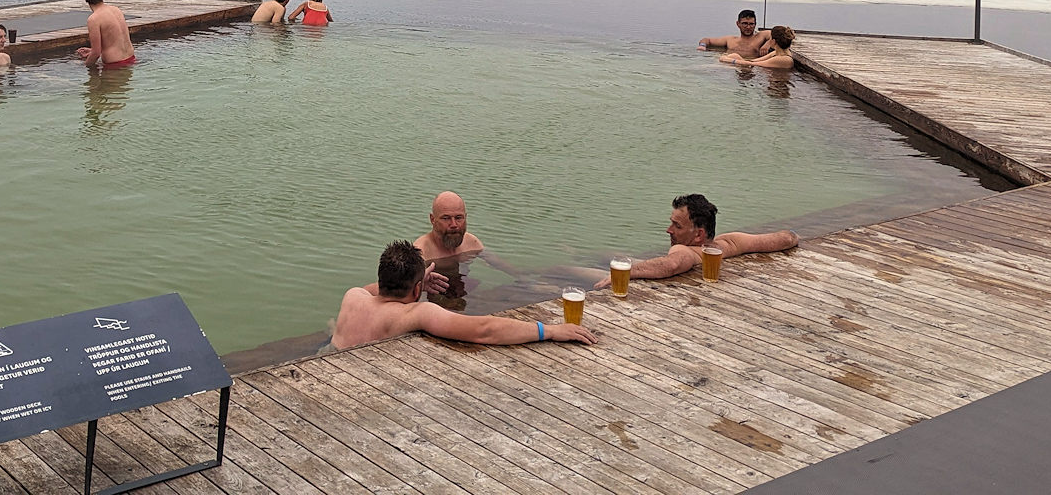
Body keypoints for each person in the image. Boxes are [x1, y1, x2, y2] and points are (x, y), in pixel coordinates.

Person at [333, 241, 598, 350]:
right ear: (416, 289)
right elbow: (484, 330)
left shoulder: (352, 296)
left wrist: (419, 282)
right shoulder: (415, 313)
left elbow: (375, 290)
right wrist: (549, 331)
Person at [596, 194, 798, 287]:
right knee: (604, 257)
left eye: (677, 226)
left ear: (699, 235)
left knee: (596, 273)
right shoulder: (729, 243)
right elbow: (788, 238)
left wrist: (626, 273)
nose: (669, 230)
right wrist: (792, 237)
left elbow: (672, 264)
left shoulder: (686, 251)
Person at [402, 191, 520, 302]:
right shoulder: (420, 252)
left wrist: (524, 278)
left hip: (462, 290)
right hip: (435, 300)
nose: (454, 225)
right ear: (432, 219)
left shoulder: (471, 242)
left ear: (465, 217)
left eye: (458, 218)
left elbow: (500, 265)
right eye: (446, 218)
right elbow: (405, 290)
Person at [74, 0, 137, 67]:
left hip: (114, 66)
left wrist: (86, 67)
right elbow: (115, 41)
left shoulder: (94, 19)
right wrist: (91, 51)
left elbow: (96, 54)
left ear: (86, 0)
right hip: (131, 58)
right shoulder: (116, 10)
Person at [698, 9, 771, 57]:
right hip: (732, 66)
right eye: (745, 23)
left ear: (755, 24)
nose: (748, 27)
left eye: (751, 24)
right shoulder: (730, 40)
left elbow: (780, 33)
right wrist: (702, 46)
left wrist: (768, 43)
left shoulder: (761, 36)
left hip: (753, 65)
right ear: (738, 24)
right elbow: (706, 40)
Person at [722, 25, 795, 69]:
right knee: (735, 55)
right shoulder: (776, 53)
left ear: (773, 41)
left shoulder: (784, 59)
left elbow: (754, 64)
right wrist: (733, 58)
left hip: (777, 86)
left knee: (731, 60)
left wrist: (729, 60)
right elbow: (753, 61)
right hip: (766, 75)